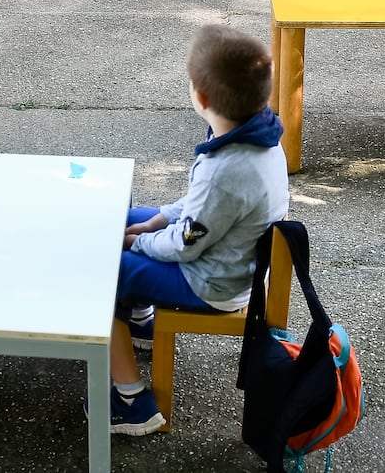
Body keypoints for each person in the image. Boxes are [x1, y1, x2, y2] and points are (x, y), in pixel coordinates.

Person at [106, 24, 290, 435]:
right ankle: (141, 322)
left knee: (108, 270)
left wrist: (143, 241)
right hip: (228, 259)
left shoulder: (227, 170)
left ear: (201, 98)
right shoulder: (259, 136)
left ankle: (129, 400)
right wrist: (153, 221)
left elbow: (188, 243)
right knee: (132, 215)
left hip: (210, 282)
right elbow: (198, 209)